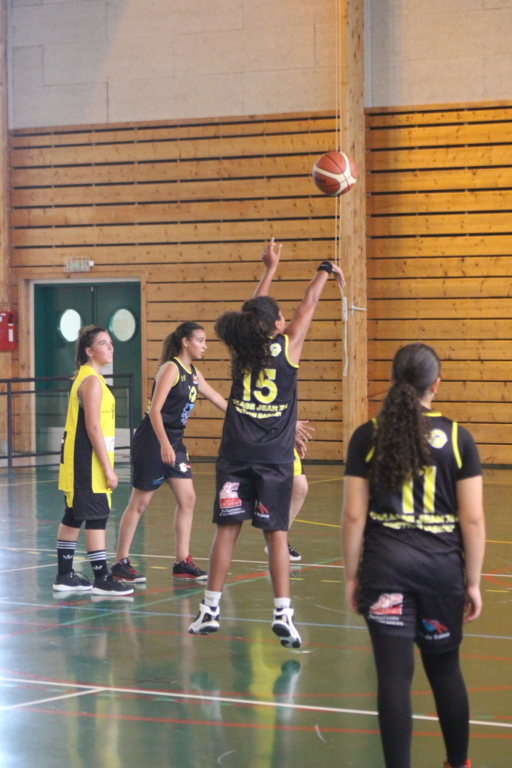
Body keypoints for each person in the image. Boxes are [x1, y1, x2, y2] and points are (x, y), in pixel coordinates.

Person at [189, 238, 345, 648]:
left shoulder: (242, 349)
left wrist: (270, 269)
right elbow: (308, 304)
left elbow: (252, 313)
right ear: (277, 324)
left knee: (226, 531)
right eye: (280, 316)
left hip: (235, 452)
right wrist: (325, 270)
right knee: (276, 534)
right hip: (274, 456)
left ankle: (210, 609)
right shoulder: (288, 347)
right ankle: (283, 614)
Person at [341, 343, 485, 768]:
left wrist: (352, 576)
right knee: (445, 671)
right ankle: (458, 763)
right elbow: (473, 519)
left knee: (393, 678)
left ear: (393, 380)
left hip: (385, 570)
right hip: (441, 573)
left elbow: (353, 516)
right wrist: (473, 582)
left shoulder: (367, 436)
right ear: (435, 384)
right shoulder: (457, 438)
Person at [110, 322, 227, 583]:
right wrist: (164, 444)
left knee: (188, 499)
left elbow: (218, 399)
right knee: (140, 502)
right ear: (185, 341)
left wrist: (247, 417)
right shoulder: (171, 369)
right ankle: (120, 562)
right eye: (200, 340)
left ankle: (181, 562)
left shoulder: (194, 373)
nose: (205, 346)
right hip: (153, 439)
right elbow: (154, 410)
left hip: (174, 440)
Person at [53, 326, 134, 596]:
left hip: (80, 462)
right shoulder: (90, 381)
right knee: (97, 517)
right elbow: (93, 427)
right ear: (89, 351)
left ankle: (64, 576)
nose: (110, 347)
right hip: (86, 463)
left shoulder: (90, 378)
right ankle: (102, 578)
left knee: (74, 516)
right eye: (103, 343)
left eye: (110, 342)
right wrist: (108, 468)